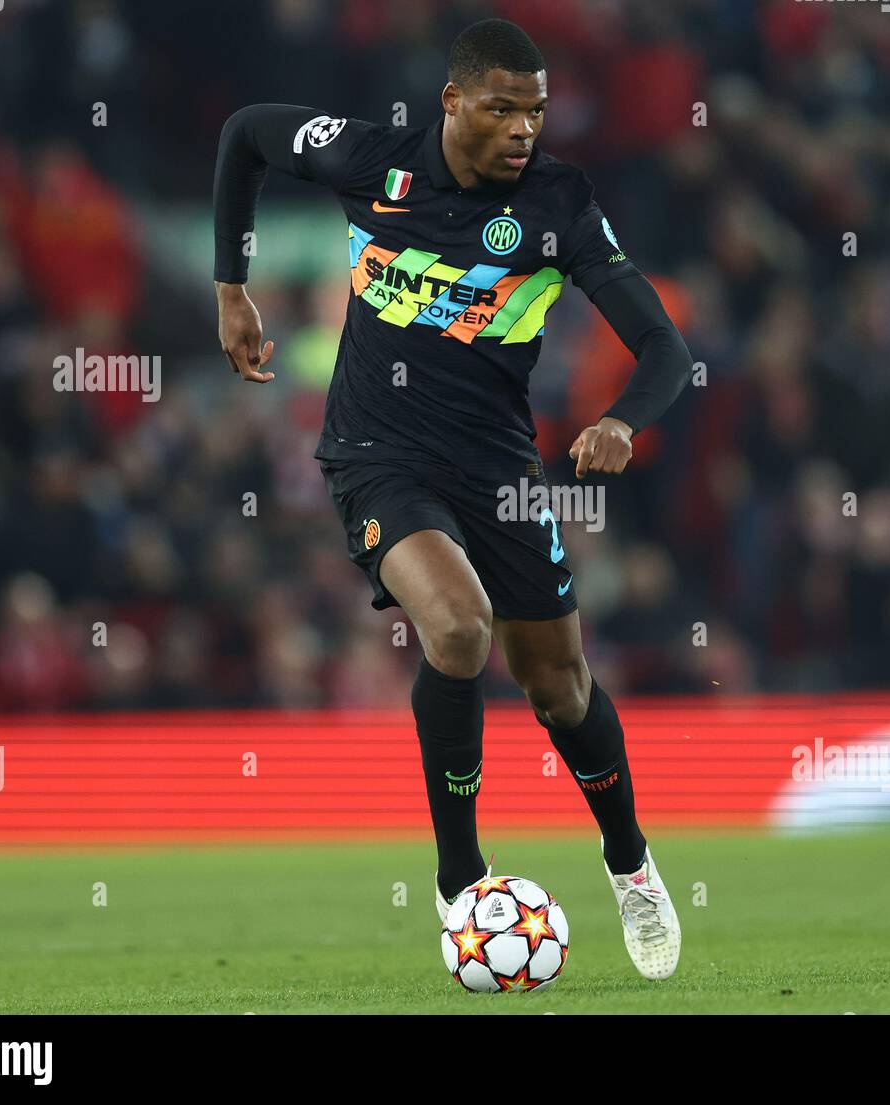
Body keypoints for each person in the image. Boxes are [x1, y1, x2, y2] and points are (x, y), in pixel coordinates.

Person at [212, 18, 690, 980]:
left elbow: (667, 350)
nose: (524, 128)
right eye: (504, 108)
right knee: (460, 631)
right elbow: (247, 133)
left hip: (500, 468)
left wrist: (623, 423)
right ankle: (460, 878)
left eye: (537, 110)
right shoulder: (373, 162)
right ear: (454, 103)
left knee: (558, 684)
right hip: (376, 454)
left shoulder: (558, 203)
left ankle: (631, 861)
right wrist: (232, 288)